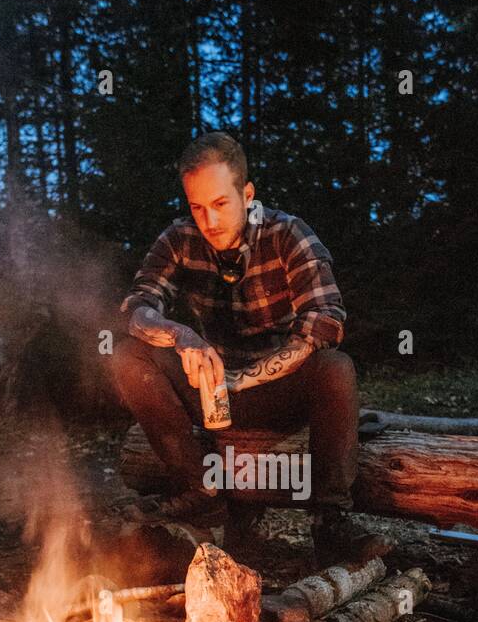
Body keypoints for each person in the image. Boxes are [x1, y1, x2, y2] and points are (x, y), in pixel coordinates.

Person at [112, 130, 365, 561]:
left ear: (246, 193)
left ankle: (331, 523)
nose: (208, 221)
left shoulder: (288, 235)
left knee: (336, 368)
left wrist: (240, 380)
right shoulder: (180, 238)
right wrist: (182, 336)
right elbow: (137, 306)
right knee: (126, 356)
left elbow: (324, 323)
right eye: (197, 206)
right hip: (210, 396)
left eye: (220, 204)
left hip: (277, 392)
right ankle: (199, 491)